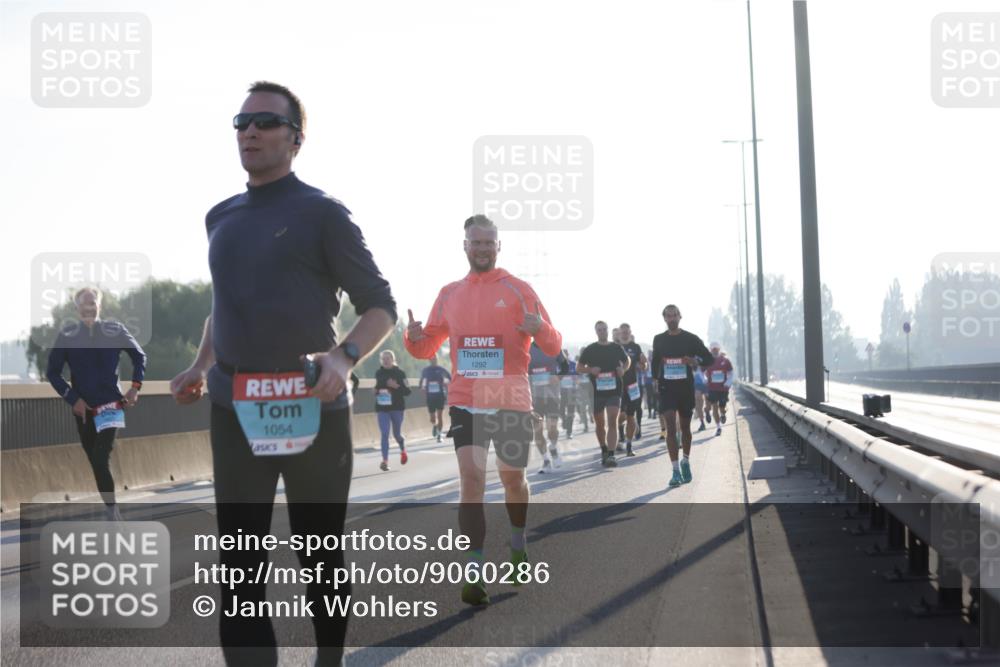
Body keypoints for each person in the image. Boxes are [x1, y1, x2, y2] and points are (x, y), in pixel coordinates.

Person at [168, 81, 396, 667]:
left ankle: (329, 660)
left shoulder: (322, 212)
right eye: (242, 121)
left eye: (266, 122)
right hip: (235, 405)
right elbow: (226, 304)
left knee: (317, 555)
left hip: (311, 402)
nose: (250, 131)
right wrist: (200, 365)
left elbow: (380, 305)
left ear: (296, 140)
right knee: (239, 567)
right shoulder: (220, 215)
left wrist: (344, 358)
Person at [404, 214, 562, 606]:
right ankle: (473, 572)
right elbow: (427, 348)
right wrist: (412, 339)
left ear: (498, 246)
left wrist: (538, 327)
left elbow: (555, 345)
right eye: (476, 242)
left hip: (510, 399)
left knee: (512, 480)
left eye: (489, 242)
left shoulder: (519, 290)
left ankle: (518, 547)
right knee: (471, 479)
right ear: (465, 246)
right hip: (466, 400)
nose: (482, 249)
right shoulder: (450, 293)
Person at [45, 287, 146, 521]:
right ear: (77, 308)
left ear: (99, 306)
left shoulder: (115, 330)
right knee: (95, 461)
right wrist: (73, 399)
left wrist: (135, 387)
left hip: (111, 405)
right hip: (84, 410)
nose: (89, 308)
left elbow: (139, 356)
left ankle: (112, 513)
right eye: (84, 305)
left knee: (101, 458)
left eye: (93, 304)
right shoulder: (67, 335)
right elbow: (53, 373)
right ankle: (111, 506)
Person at [651, 304, 714, 488]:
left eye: (674, 315)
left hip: (685, 388)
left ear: (680, 317)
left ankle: (686, 461)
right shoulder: (659, 339)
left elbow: (708, 359)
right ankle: (675, 470)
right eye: (668, 316)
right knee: (671, 428)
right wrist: (655, 378)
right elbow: (655, 361)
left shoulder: (691, 339)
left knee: (685, 428)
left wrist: (695, 361)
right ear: (664, 318)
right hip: (666, 387)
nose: (671, 319)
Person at [577, 321, 630, 467]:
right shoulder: (590, 349)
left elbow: (627, 361)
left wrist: (623, 369)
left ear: (607, 330)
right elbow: (579, 367)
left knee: (612, 420)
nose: (602, 332)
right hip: (596, 391)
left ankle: (612, 455)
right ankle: (604, 449)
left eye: (604, 329)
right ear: (596, 332)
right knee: (600, 424)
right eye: (599, 330)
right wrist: (590, 370)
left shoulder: (616, 347)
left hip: (614, 389)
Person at [529, 341, 564, 473]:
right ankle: (546, 461)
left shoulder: (553, 346)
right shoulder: (528, 348)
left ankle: (553, 447)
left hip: (552, 396)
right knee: (537, 431)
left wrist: (558, 377)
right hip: (535, 397)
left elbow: (565, 366)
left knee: (552, 428)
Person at [374, 350, 411, 470]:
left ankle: (403, 450)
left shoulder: (400, 373)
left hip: (397, 407)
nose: (385, 360)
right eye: (383, 358)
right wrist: (376, 390)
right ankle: (385, 461)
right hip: (382, 407)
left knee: (396, 434)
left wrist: (396, 386)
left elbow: (408, 391)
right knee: (384, 434)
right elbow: (378, 385)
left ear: (392, 359)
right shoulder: (379, 373)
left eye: (387, 358)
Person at [617, 325, 647, 456]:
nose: (624, 334)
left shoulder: (636, 347)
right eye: (622, 332)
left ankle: (629, 445)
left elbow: (643, 366)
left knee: (631, 416)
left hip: (633, 386)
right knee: (621, 415)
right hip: (618, 386)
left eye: (626, 332)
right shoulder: (615, 347)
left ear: (630, 333)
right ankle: (620, 433)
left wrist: (644, 364)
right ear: (619, 333)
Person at [704, 342, 735, 436]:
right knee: (714, 407)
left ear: (719, 350)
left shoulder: (725, 361)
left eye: (716, 350)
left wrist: (728, 383)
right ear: (711, 350)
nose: (714, 351)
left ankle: (723, 414)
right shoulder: (707, 361)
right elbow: (702, 373)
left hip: (723, 389)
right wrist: (705, 381)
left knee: (722, 407)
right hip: (712, 388)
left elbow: (731, 373)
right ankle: (718, 427)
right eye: (713, 350)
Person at [419, 357, 451, 442]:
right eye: (431, 359)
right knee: (432, 418)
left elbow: (450, 378)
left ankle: (439, 435)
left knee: (440, 416)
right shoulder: (426, 370)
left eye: (435, 359)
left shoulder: (441, 369)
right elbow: (421, 381)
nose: (433, 361)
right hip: (430, 396)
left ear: (437, 360)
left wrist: (446, 382)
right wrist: (422, 388)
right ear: (429, 360)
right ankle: (435, 425)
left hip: (440, 395)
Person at [558, 350, 578, 439]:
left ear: (567, 355)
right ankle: (564, 421)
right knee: (561, 410)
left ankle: (569, 432)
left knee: (571, 412)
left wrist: (576, 379)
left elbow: (579, 377)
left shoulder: (573, 364)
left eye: (565, 355)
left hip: (572, 391)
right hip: (561, 392)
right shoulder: (557, 365)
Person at [693, 362, 708, 432]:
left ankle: (707, 411)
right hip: (696, 384)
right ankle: (702, 423)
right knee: (698, 406)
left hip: (705, 383)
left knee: (708, 405)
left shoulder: (702, 359)